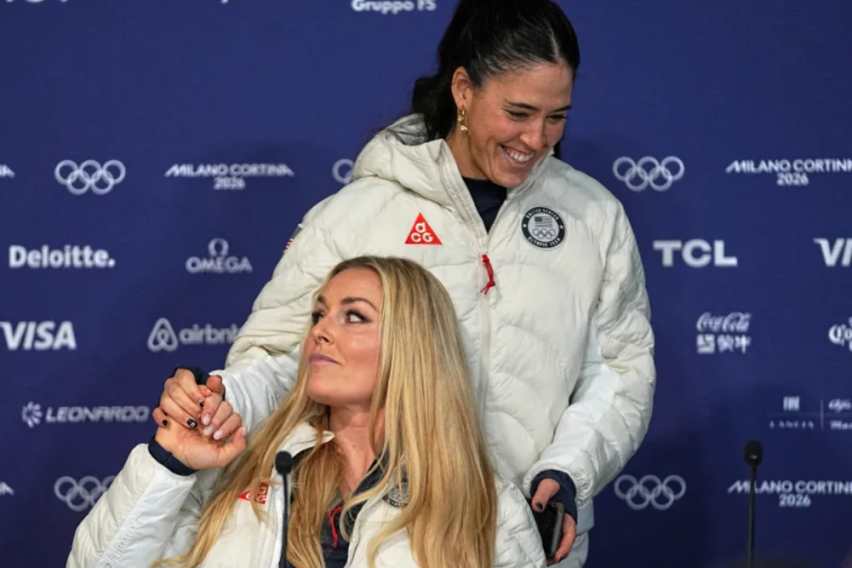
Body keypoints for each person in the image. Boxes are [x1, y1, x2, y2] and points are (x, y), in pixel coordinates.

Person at [158, 0, 655, 565]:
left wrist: (565, 472)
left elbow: (620, 372)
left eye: (556, 116)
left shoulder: (594, 217)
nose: (537, 138)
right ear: (463, 90)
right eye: (518, 112)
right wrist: (221, 398)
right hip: (387, 538)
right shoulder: (359, 213)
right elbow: (277, 358)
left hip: (526, 541)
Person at [66, 257, 546, 568]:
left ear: (414, 345)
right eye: (318, 314)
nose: (320, 331)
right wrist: (169, 462)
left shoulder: (487, 506)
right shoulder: (243, 466)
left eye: (353, 316)